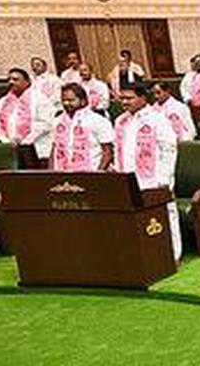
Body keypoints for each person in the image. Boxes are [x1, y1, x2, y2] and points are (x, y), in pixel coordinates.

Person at [113, 83, 180, 261]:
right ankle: (146, 253)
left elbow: (169, 149)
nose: (124, 102)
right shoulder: (120, 120)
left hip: (155, 177)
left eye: (129, 98)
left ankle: (173, 254)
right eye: (122, 98)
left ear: (142, 98)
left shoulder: (157, 118)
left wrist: (165, 179)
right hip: (128, 176)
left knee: (165, 214)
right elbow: (116, 148)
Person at [50, 83, 115, 172]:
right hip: (62, 174)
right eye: (64, 100)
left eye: (71, 100)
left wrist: (98, 174)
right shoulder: (57, 121)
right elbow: (54, 149)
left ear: (83, 101)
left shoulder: (98, 120)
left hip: (89, 174)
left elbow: (107, 152)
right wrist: (51, 173)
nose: (66, 103)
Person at [0, 68, 54, 164]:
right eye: (9, 79)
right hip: (11, 148)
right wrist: (6, 141)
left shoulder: (40, 98)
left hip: (35, 147)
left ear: (27, 81)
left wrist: (24, 140)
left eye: (15, 79)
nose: (11, 82)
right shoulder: (3, 101)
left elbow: (46, 123)